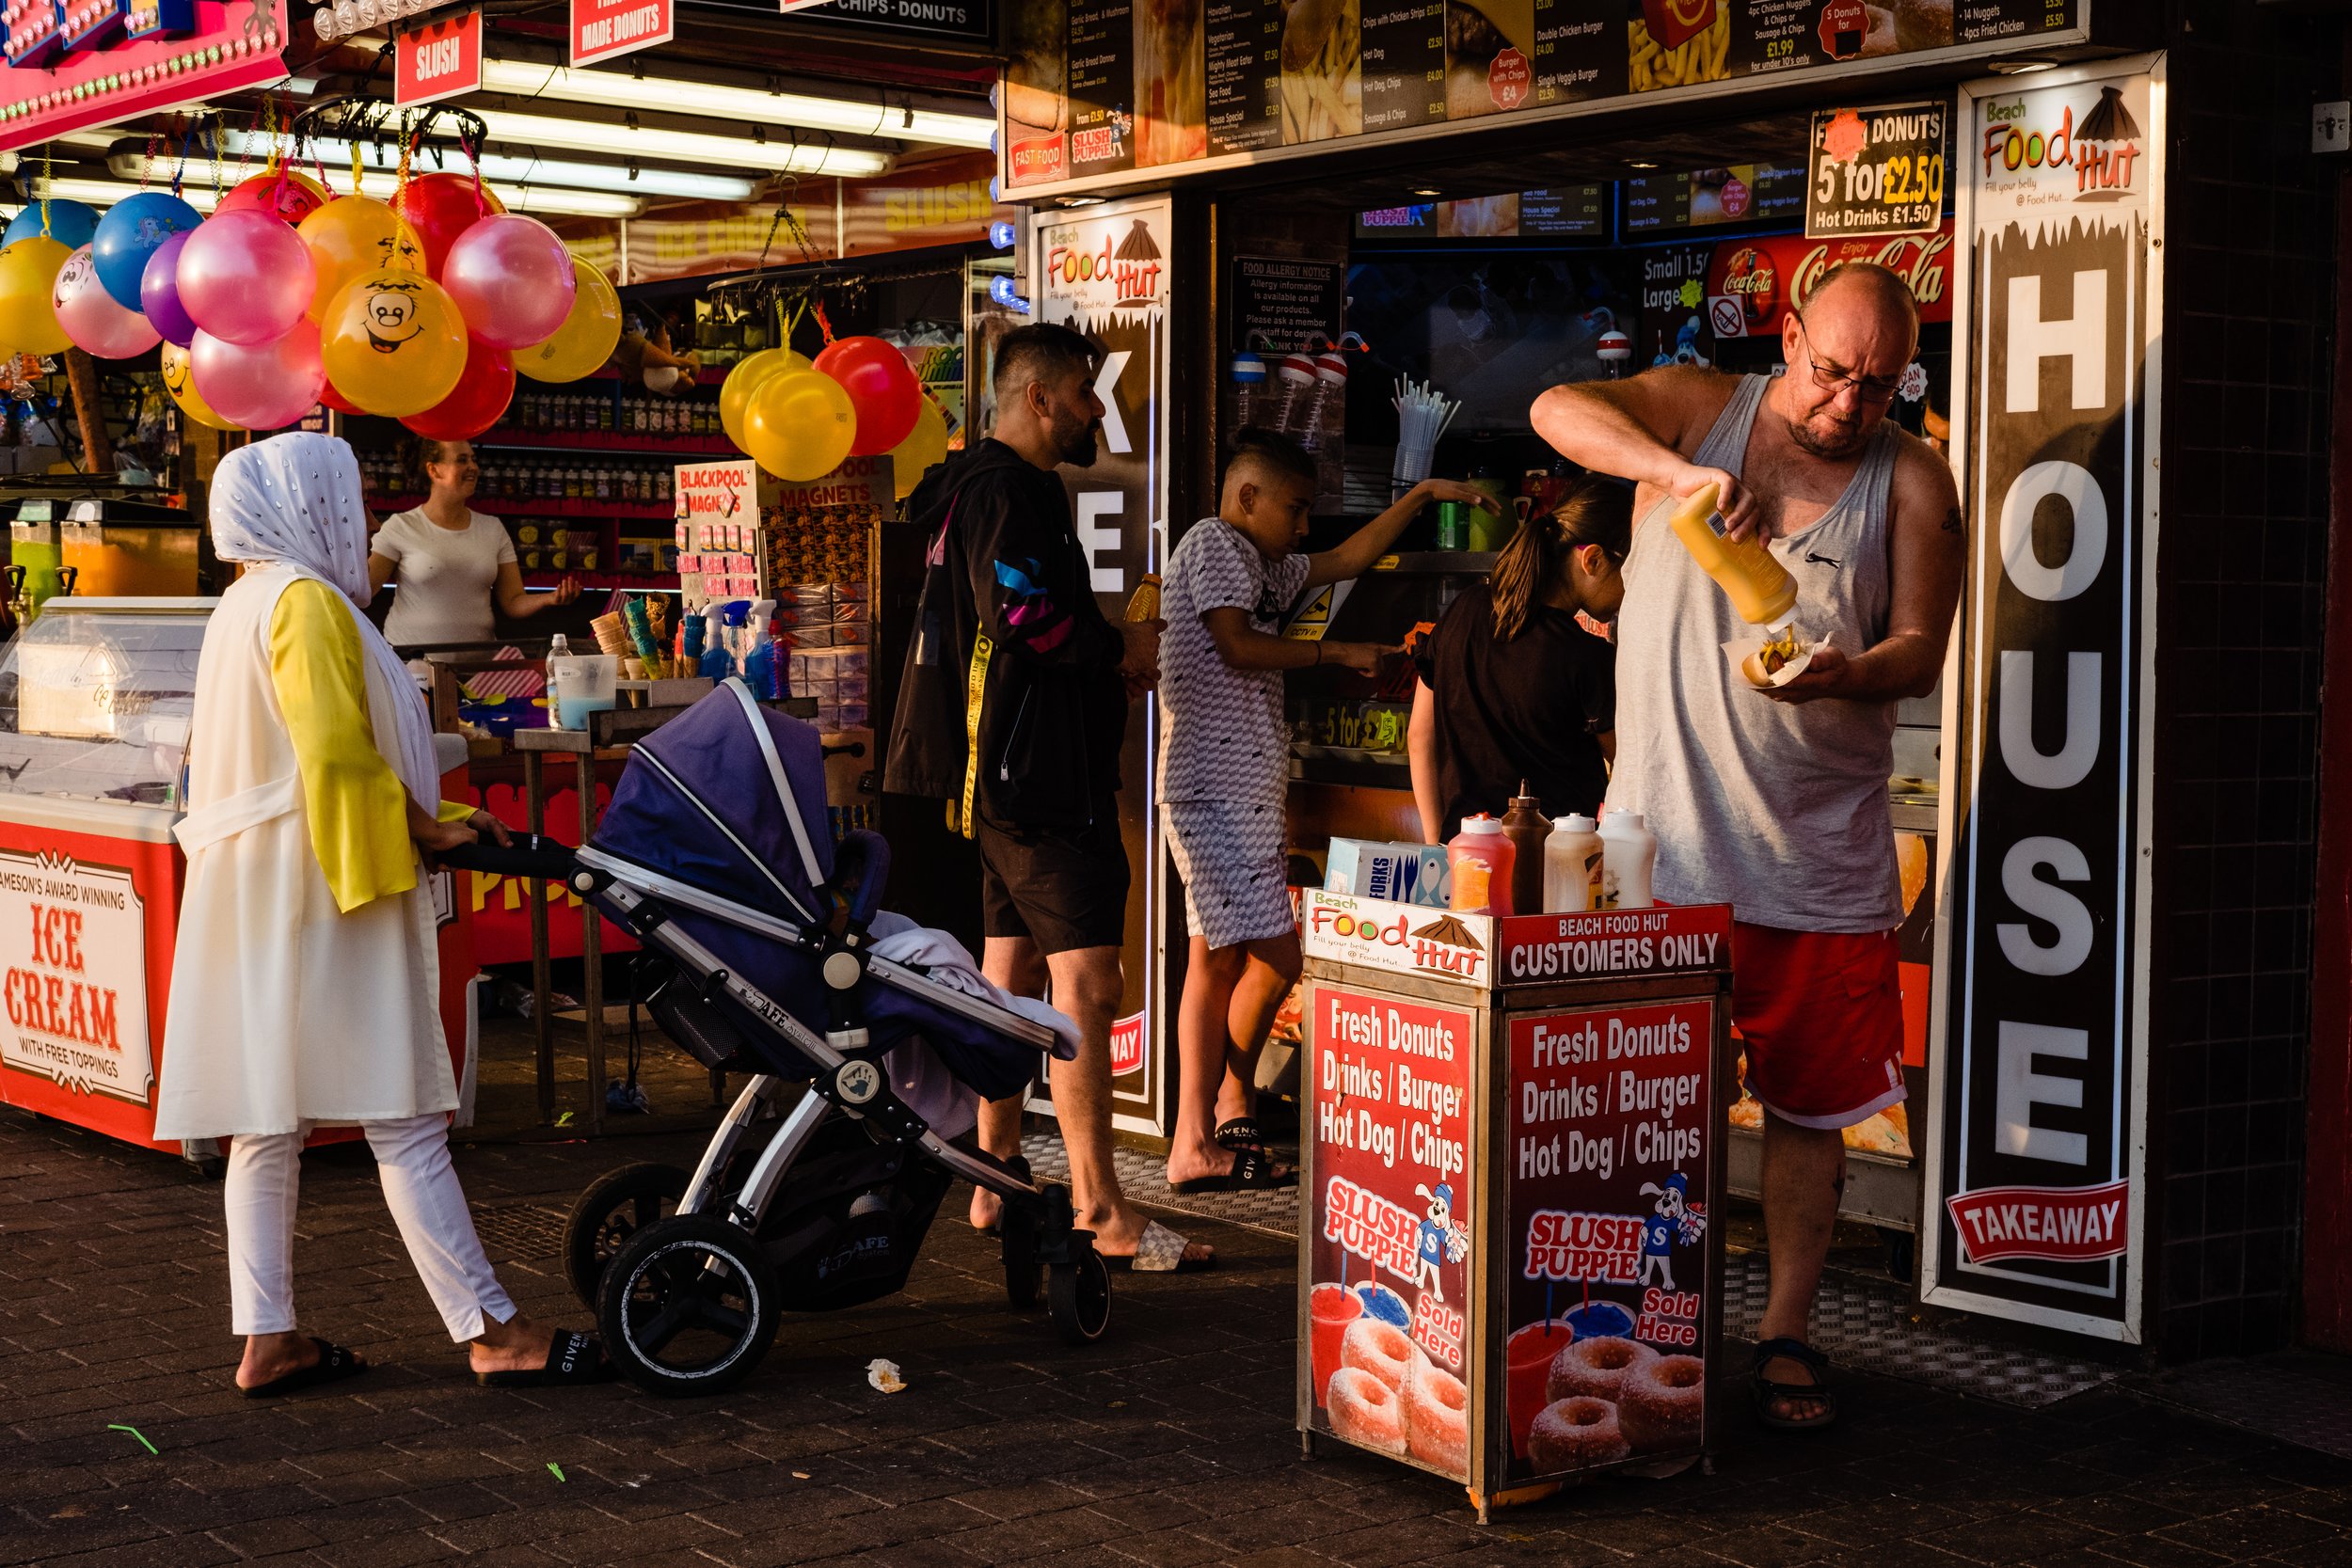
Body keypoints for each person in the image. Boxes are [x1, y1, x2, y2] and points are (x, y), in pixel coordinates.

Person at [1529, 261, 1962, 1432]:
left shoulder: (1914, 478)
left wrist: (1847, 670)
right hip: (1654, 853)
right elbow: (1555, 409)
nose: (1847, 404)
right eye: (1831, 372)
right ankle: (1629, 1315)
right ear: (1788, 336)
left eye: (1879, 384)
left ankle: (1783, 1331)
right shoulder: (1701, 406)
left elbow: (1922, 646)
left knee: (1809, 1113)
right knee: (1633, 1103)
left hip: (1816, 858)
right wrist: (1677, 475)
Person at [152, 433, 609, 1395]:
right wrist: (427, 827)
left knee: (264, 1119)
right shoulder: (309, 604)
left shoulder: (243, 601)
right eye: (344, 496)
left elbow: (293, 755)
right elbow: (334, 751)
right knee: (401, 1113)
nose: (355, 514)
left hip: (259, 883)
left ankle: (267, 1334)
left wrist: (435, 813)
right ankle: (491, 1327)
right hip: (327, 880)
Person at [883, 322, 1209, 1273]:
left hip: (989, 780)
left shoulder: (960, 486)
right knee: (1086, 987)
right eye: (1082, 394)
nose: (1093, 412)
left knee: (1009, 976)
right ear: (1037, 398)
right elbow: (1021, 617)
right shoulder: (1012, 492)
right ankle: (1102, 1206)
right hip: (1035, 777)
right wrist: (1120, 648)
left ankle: (993, 1176)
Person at [1156, 428, 1495, 1190]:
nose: (1304, 525)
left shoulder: (1261, 559)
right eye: (1295, 507)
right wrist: (1337, 654)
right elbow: (1237, 645)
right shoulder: (1215, 543)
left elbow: (1345, 561)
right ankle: (1197, 1130)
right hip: (1212, 784)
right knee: (1240, 957)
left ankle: (1216, 1114)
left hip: (1239, 785)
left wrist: (1422, 494)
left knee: (1244, 956)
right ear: (1247, 498)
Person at [1406, 475, 1629, 842]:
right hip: (1554, 865)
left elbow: (1419, 736)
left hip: (1463, 855)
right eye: (1631, 569)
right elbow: (1628, 765)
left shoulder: (1464, 610)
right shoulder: (1586, 657)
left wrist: (1437, 843)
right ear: (1592, 559)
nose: (1632, 585)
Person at [368, 438, 578, 649]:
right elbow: (365, 589)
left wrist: (551, 598)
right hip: (412, 665)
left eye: (473, 459)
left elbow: (513, 602)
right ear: (434, 470)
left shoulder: (492, 528)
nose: (473, 467)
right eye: (461, 460)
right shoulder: (401, 526)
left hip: (478, 667)